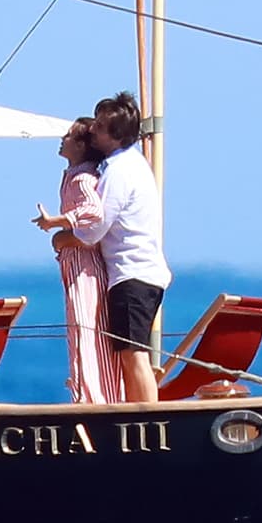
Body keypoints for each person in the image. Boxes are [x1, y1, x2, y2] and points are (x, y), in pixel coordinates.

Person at [52, 92, 170, 403]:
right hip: (141, 272)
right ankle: (134, 412)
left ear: (116, 136)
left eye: (101, 127)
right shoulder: (132, 164)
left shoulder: (119, 172)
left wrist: (62, 237)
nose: (93, 131)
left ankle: (146, 419)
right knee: (129, 354)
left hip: (132, 274)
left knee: (134, 356)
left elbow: (94, 228)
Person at [32, 118, 123, 403]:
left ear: (82, 145)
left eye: (69, 136)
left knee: (84, 327)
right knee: (86, 326)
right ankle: (98, 393)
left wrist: (57, 223)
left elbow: (93, 212)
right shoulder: (77, 176)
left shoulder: (82, 178)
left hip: (84, 263)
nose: (63, 139)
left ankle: (91, 397)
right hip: (78, 260)